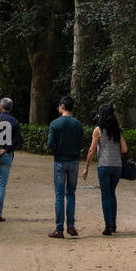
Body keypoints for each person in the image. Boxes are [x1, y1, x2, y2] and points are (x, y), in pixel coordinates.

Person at [83, 104, 128, 236]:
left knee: (105, 195)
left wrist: (86, 167)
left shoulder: (98, 130)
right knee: (112, 193)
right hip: (117, 166)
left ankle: (108, 226)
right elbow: (124, 149)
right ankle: (113, 224)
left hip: (104, 165)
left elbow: (91, 151)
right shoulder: (117, 131)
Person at [46, 96, 84, 238]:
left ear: (62, 106)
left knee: (59, 195)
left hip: (60, 161)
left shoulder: (55, 124)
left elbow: (50, 144)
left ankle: (59, 228)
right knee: (71, 193)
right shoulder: (78, 124)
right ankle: (71, 225)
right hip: (74, 162)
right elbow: (81, 145)